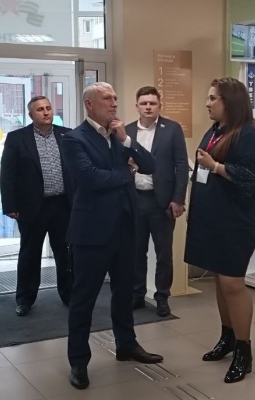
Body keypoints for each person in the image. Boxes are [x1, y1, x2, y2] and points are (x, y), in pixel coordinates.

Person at [62, 82, 164, 390]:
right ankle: (78, 361)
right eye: (107, 98)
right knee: (84, 298)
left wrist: (127, 141)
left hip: (124, 228)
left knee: (124, 294)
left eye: (116, 98)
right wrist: (127, 173)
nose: (114, 103)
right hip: (91, 232)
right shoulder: (74, 139)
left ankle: (127, 345)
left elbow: (150, 165)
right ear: (89, 104)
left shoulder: (121, 135)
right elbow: (90, 178)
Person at [184, 77, 255, 383]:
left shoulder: (248, 136)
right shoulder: (215, 131)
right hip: (212, 218)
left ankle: (244, 351)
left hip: (236, 222)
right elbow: (200, 173)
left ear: (228, 101)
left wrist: (216, 166)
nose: (207, 103)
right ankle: (227, 338)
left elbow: (251, 179)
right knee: (220, 282)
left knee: (232, 283)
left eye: (212, 98)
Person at [0, 96, 73, 317]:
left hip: (62, 205)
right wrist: (10, 205)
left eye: (48, 108)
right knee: (30, 254)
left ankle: (69, 295)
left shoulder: (67, 135)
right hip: (32, 207)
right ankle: (25, 299)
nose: (46, 112)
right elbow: (7, 174)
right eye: (40, 109)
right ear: (31, 115)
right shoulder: (17, 138)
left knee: (66, 254)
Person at [126, 86, 188, 317]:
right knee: (136, 252)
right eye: (144, 103)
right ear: (137, 106)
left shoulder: (172, 129)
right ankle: (137, 294)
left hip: (162, 202)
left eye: (152, 103)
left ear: (159, 105)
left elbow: (182, 165)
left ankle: (162, 297)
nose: (148, 107)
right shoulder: (127, 131)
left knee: (163, 254)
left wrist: (178, 199)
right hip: (135, 200)